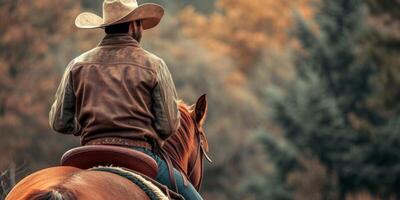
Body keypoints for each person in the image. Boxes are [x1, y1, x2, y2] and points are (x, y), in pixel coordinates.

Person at [49, 0, 203, 199]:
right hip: (140, 155)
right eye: (140, 24)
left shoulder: (77, 64)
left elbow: (59, 122)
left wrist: (86, 126)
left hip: (89, 151)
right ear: (133, 26)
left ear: (106, 27)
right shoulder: (154, 64)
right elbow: (168, 126)